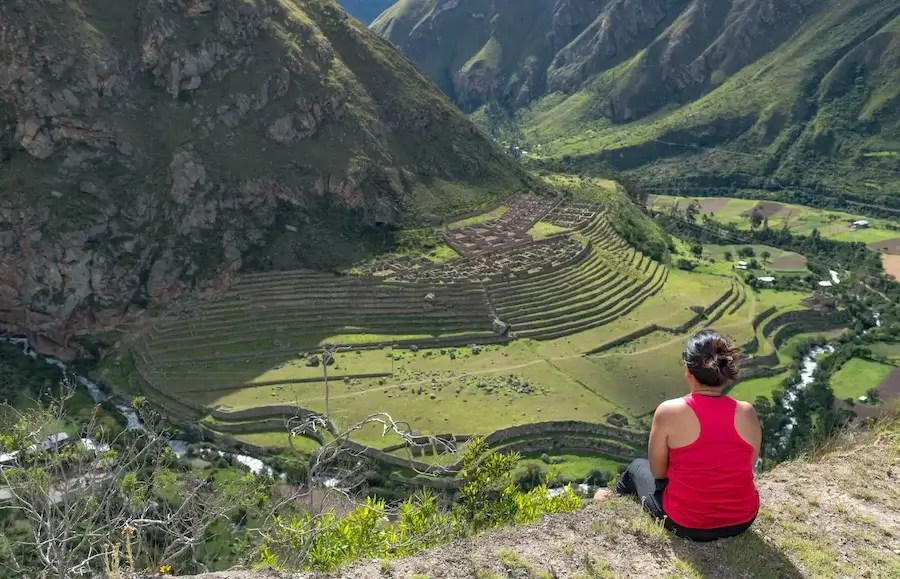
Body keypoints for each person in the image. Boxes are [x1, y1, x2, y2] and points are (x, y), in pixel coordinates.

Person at [595, 329, 761, 541]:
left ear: (688, 371)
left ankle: (609, 503)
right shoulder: (747, 412)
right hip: (742, 520)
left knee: (635, 468)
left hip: (687, 524)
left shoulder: (669, 412)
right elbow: (748, 465)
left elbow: (658, 472)